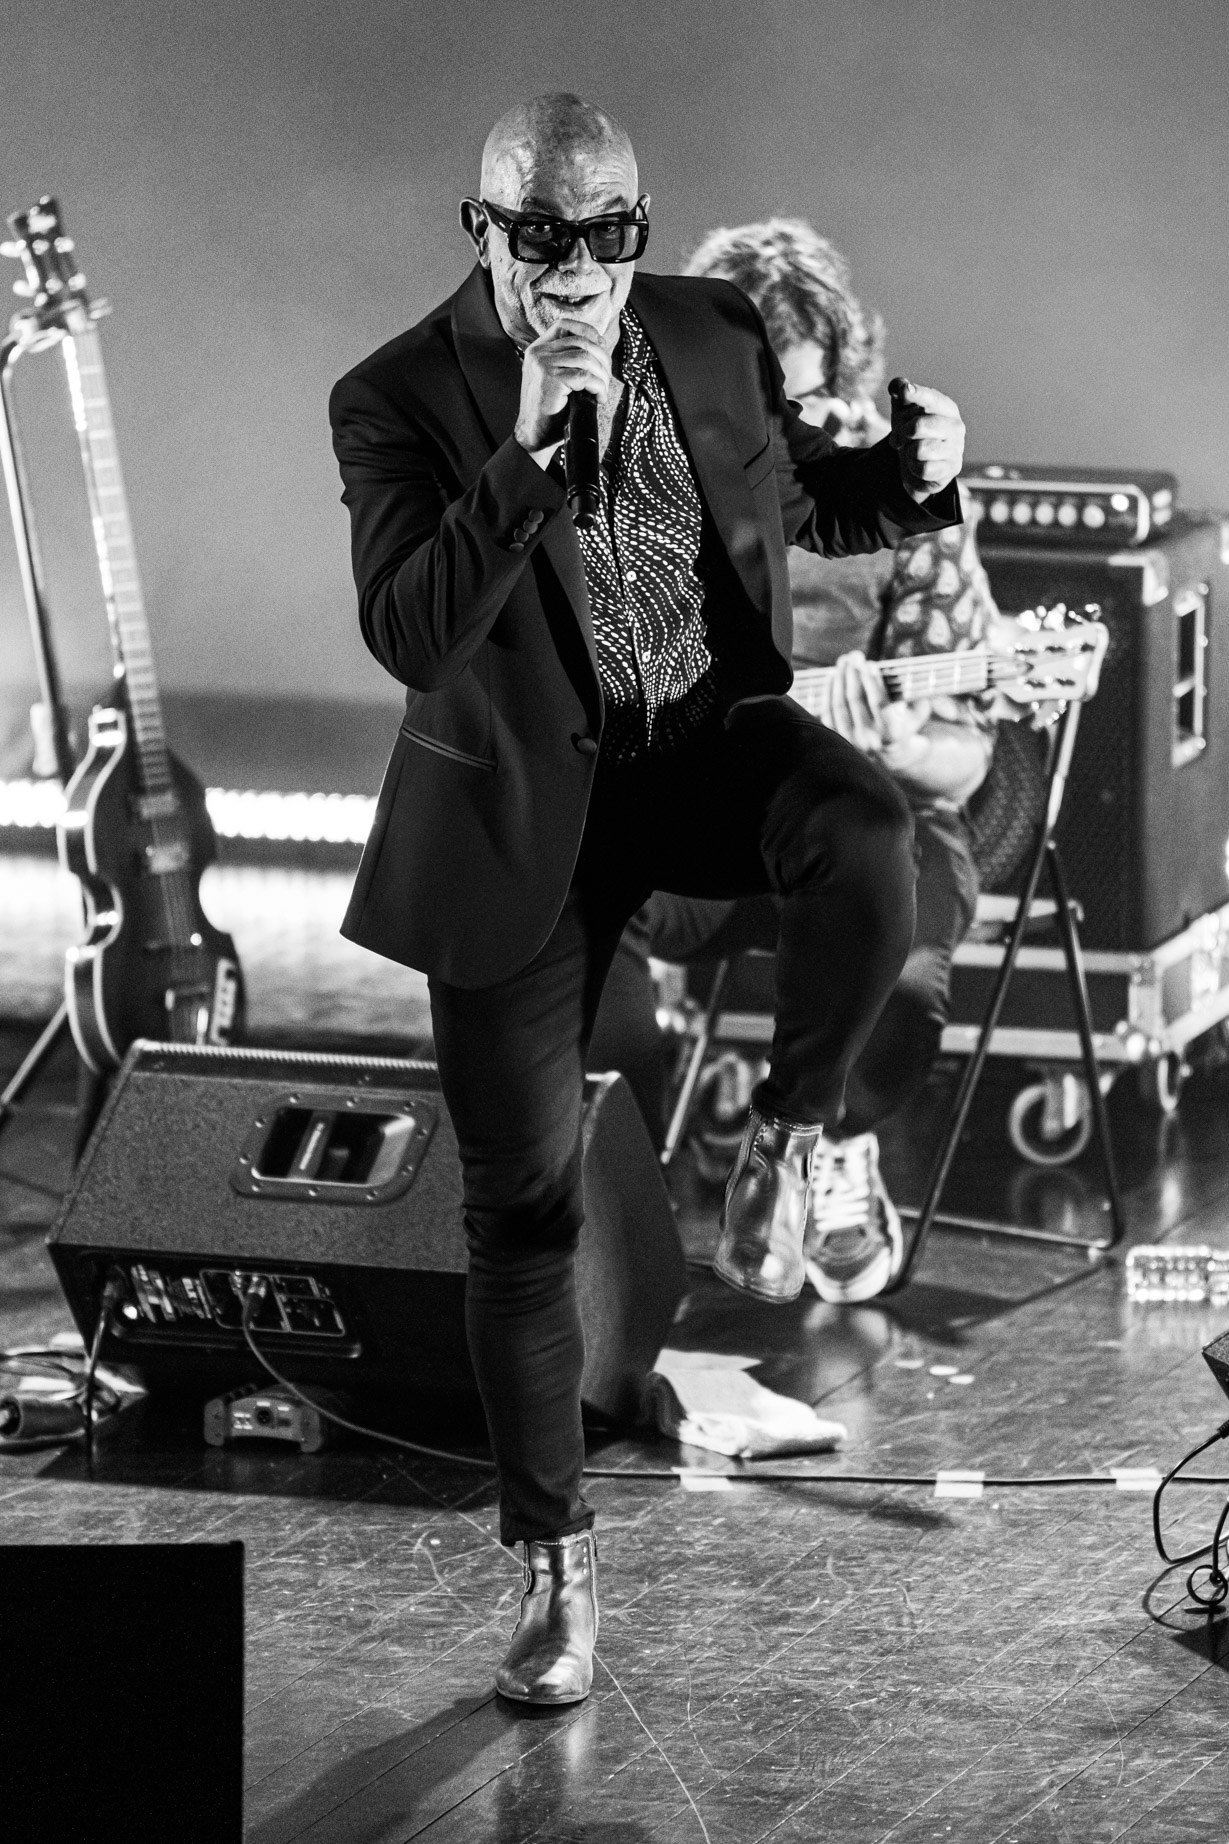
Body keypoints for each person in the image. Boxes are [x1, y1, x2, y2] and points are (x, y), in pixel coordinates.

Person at [329, 95, 965, 1707]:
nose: (575, 270)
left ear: (637, 229)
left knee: (867, 833)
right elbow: (411, 629)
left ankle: (791, 1137)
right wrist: (530, 460)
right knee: (522, 1211)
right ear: (484, 230)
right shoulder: (398, 395)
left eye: (605, 233)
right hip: (519, 824)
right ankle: (554, 1563)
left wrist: (911, 474)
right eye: (538, 235)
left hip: (694, 755)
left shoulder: (708, 328)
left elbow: (802, 509)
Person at [588, 219, 999, 1303]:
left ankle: (828, 1146)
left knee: (899, 967)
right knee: (571, 898)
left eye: (801, 399)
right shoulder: (637, 467)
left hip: (867, 816)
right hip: (700, 812)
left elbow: (966, 762)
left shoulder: (891, 486)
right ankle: (605, 1174)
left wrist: (894, 739)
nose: (777, 423)